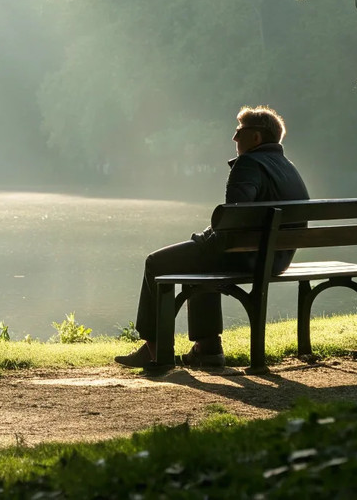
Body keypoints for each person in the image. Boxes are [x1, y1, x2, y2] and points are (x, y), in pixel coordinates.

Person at [116, 105, 310, 368]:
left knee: (156, 262)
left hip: (248, 256)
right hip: (276, 259)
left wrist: (202, 239)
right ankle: (207, 349)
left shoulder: (249, 163)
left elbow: (234, 221)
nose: (234, 138)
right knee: (199, 260)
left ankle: (155, 350)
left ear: (257, 137)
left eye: (240, 131)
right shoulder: (287, 167)